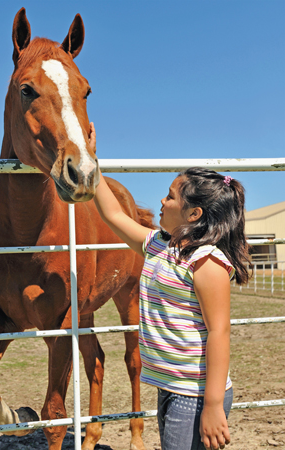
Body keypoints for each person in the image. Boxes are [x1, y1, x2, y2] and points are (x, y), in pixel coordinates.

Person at [88, 123, 251, 450]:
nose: (161, 201)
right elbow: (113, 215)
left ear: (194, 213)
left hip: (195, 393)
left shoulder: (207, 261)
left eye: (170, 196)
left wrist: (214, 404)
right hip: (169, 386)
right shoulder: (159, 244)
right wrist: (90, 158)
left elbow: (219, 332)